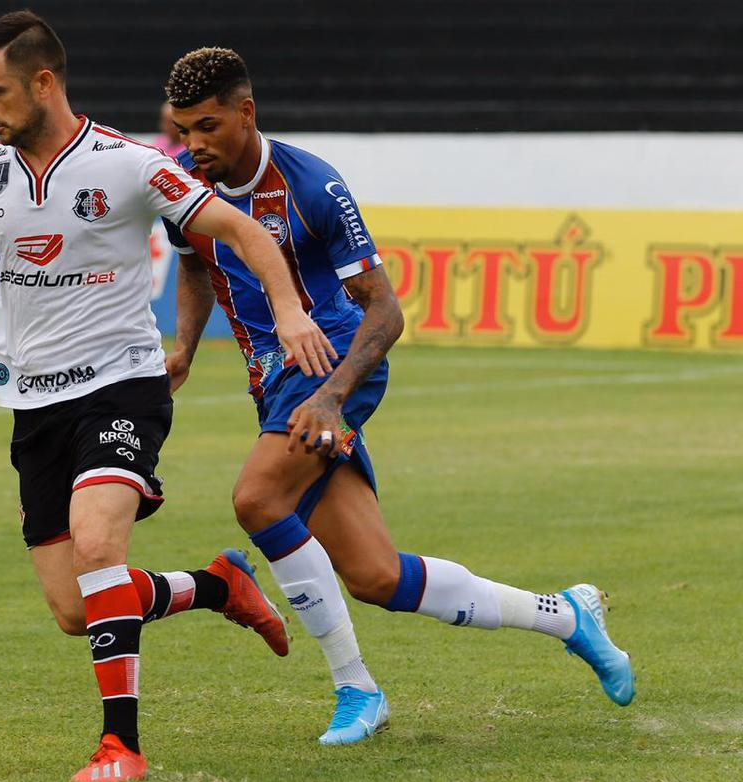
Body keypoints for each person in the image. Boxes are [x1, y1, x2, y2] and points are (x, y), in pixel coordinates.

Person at [0, 12, 339, 782]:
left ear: (42, 82)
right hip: (33, 404)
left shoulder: (130, 165)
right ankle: (218, 585)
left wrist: (287, 311)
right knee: (78, 610)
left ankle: (122, 746)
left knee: (98, 548)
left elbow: (246, 233)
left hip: (122, 387)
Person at [161, 47, 636, 745]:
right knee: (376, 577)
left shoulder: (313, 187)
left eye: (207, 127)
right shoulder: (183, 189)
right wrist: (185, 348)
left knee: (258, 498)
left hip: (333, 363)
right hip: (275, 386)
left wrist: (331, 397)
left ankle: (357, 688)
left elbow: (385, 313)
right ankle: (567, 616)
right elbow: (196, 266)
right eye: (183, 131)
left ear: (246, 112)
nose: (194, 145)